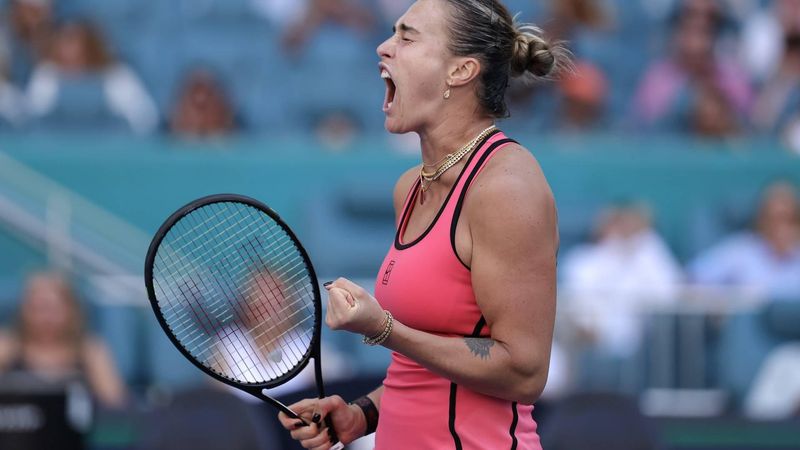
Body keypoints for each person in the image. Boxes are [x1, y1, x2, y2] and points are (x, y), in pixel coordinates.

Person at [277, 1, 565, 448]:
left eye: (407, 37)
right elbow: (424, 367)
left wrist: (384, 329)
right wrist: (362, 414)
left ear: (461, 71)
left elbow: (524, 371)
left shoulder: (507, 188)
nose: (384, 47)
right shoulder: (410, 187)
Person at [0, 272, 127, 409]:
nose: (45, 318)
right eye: (38, 309)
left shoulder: (90, 350)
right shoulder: (7, 346)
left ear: (71, 310)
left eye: (52, 309)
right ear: (24, 310)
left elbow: (114, 402)